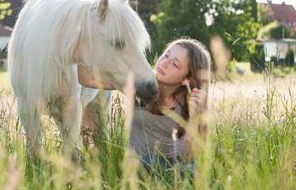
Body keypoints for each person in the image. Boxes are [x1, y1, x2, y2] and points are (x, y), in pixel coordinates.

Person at [77, 38, 211, 170]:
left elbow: (190, 157)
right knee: (144, 162)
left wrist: (195, 117)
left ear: (186, 79)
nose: (164, 64)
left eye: (174, 64)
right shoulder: (140, 83)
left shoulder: (192, 103)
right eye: (166, 55)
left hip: (174, 166)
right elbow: (86, 79)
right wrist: (81, 47)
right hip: (140, 164)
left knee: (191, 170)